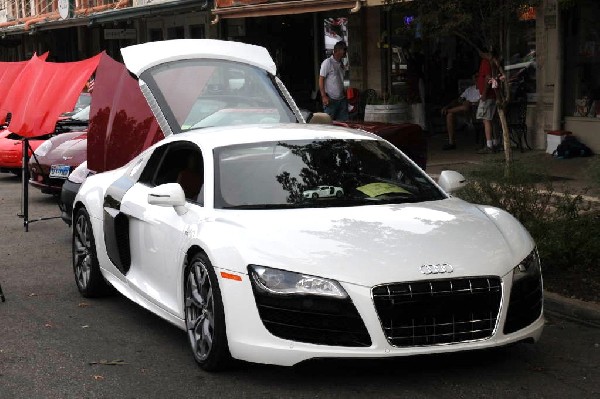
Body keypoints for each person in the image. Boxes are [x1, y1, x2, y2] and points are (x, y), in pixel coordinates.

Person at [440, 74, 481, 150]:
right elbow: (459, 99)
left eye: (478, 76)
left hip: (476, 112)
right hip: (464, 113)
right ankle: (451, 142)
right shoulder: (469, 89)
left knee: (466, 105)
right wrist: (448, 105)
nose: (476, 78)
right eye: (474, 77)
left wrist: (471, 103)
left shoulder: (483, 89)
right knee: (450, 115)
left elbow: (483, 101)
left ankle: (447, 111)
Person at [476, 48, 500, 154]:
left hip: (489, 95)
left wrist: (484, 93)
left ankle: (489, 145)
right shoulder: (494, 61)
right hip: (493, 95)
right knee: (492, 119)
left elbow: (488, 78)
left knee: (486, 119)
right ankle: (495, 143)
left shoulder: (486, 62)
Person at [319, 41, 348, 121]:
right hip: (331, 99)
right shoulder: (328, 62)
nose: (346, 52)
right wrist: (324, 96)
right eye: (344, 50)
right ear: (338, 51)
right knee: (329, 122)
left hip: (341, 99)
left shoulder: (340, 64)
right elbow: (321, 79)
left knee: (343, 123)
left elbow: (340, 80)